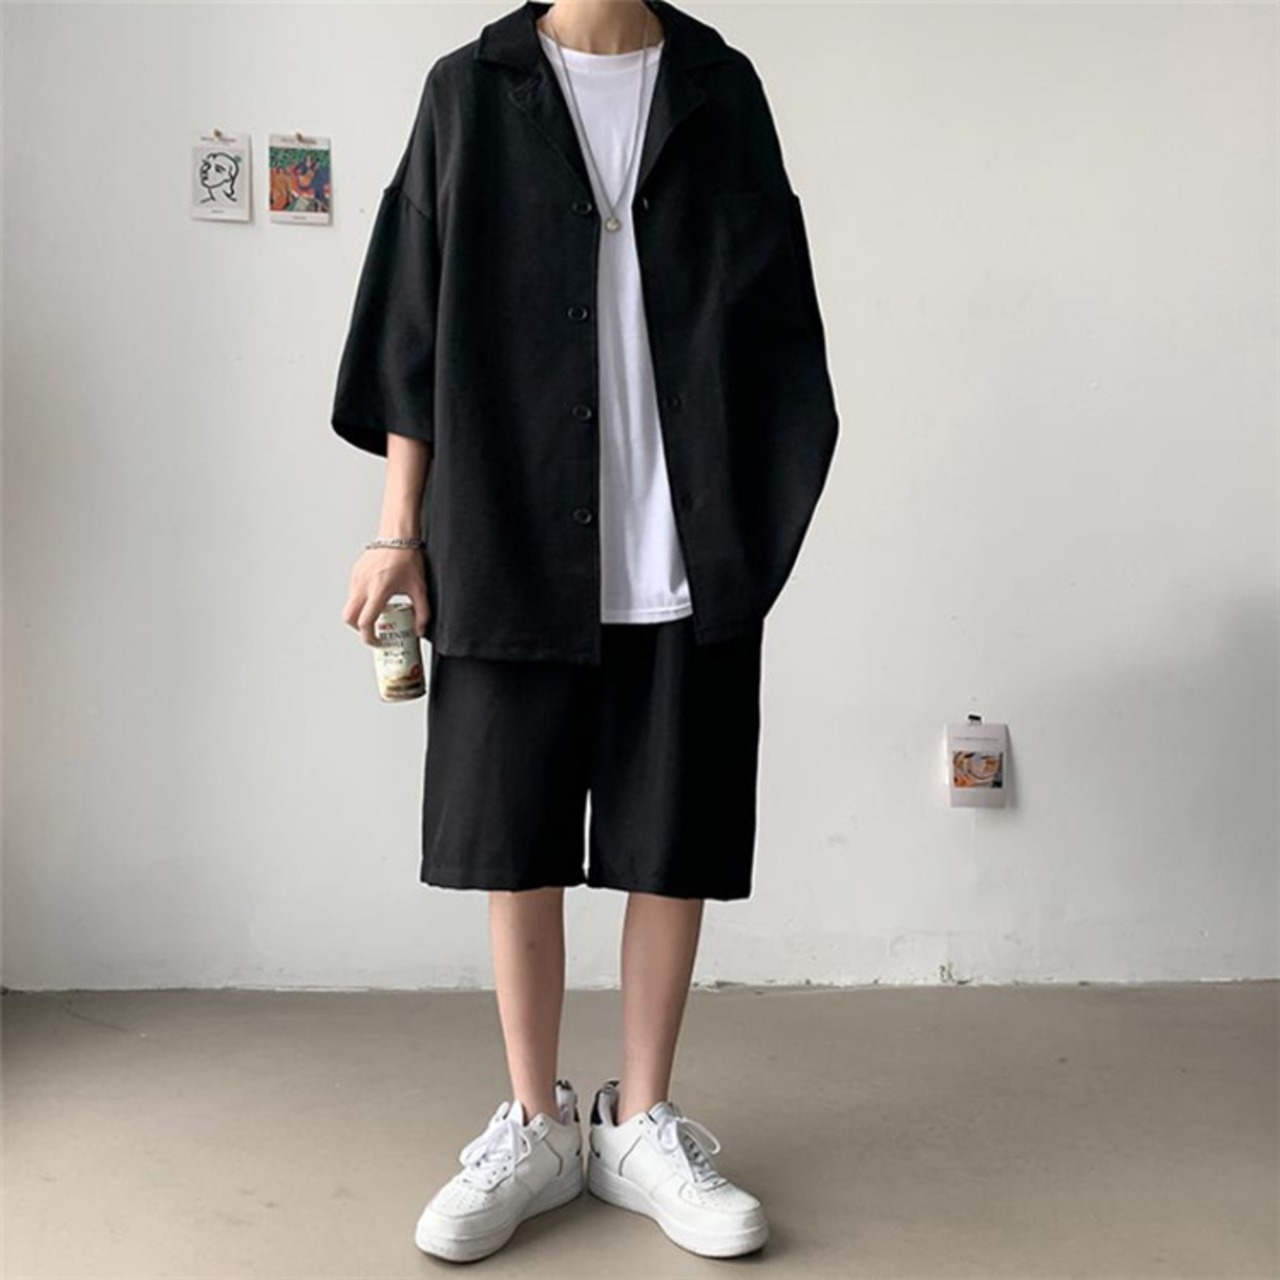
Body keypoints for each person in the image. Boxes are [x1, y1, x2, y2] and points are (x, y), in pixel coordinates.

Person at [332, 0, 839, 1263]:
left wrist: (754, 522)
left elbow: (780, 320)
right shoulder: (468, 89)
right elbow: (411, 322)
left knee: (673, 836)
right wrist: (399, 529)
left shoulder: (720, 87)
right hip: (509, 528)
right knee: (514, 836)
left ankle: (641, 1120)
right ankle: (533, 1121)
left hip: (684, 535)